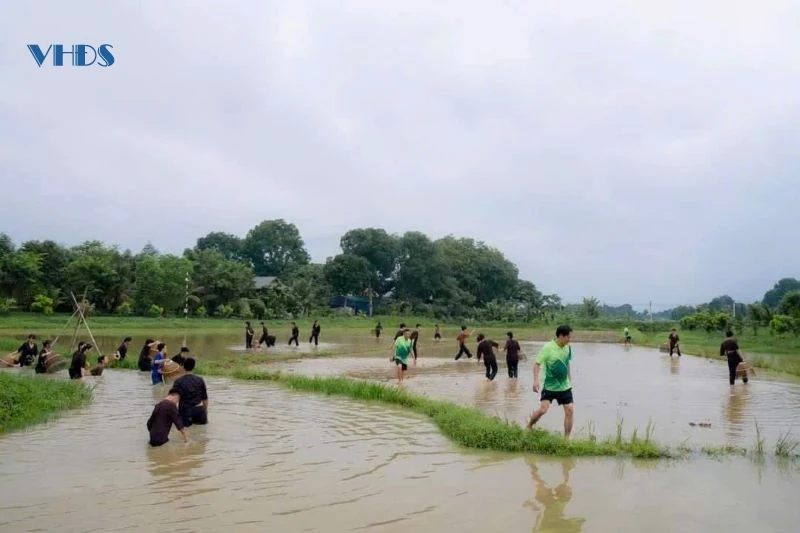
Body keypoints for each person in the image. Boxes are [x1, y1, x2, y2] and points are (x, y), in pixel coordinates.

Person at [527, 325, 574, 439]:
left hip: (565, 387)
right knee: (543, 410)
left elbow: (567, 363)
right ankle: (529, 426)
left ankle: (566, 439)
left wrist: (570, 379)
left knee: (570, 410)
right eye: (568, 337)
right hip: (550, 387)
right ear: (561, 336)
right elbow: (537, 364)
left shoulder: (568, 347)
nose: (570, 339)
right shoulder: (548, 348)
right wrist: (535, 381)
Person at [173, 358, 208, 426]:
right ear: (194, 367)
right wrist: (205, 411)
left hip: (185, 412)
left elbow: (173, 400)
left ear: (183, 367)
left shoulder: (178, 381)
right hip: (199, 411)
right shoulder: (200, 380)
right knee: (201, 433)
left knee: (186, 432)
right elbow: (205, 398)